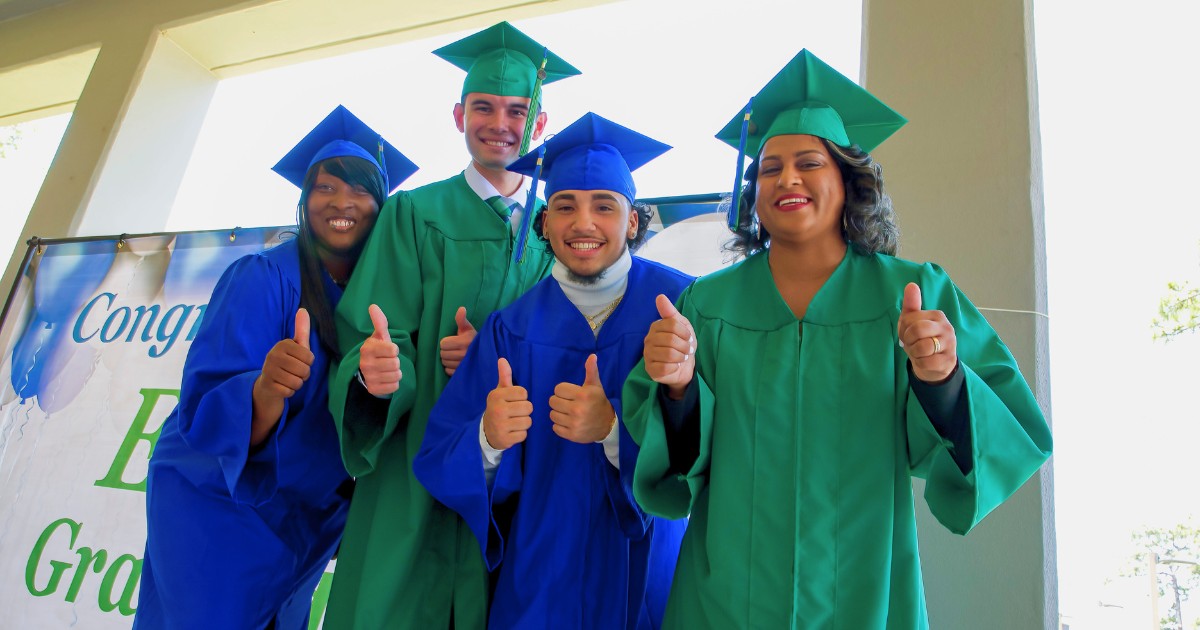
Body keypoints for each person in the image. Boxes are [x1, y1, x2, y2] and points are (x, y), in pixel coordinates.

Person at [622, 49, 1054, 629]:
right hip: (726, 593)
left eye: (809, 163)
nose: (787, 179)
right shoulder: (708, 305)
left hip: (865, 588)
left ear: (849, 181)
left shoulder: (915, 293)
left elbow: (1011, 428)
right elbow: (671, 466)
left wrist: (945, 381)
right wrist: (676, 390)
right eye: (770, 168)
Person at [323, 22, 580, 629]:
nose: (500, 123)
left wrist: (498, 360)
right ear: (459, 114)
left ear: (539, 126)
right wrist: (379, 373)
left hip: (517, 462)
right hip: (415, 459)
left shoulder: (557, 230)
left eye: (518, 111)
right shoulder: (414, 213)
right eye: (484, 107)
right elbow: (376, 331)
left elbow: (578, 344)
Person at [134, 105, 416, 630]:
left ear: (381, 208)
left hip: (304, 516)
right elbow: (205, 404)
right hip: (218, 505)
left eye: (359, 192)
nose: (341, 204)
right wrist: (264, 391)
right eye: (325, 188)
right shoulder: (261, 278)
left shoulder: (378, 304)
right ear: (304, 201)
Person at [414, 113, 690, 630]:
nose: (583, 224)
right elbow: (440, 458)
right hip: (541, 579)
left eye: (604, 207)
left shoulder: (682, 306)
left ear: (632, 220)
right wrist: (488, 439)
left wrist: (613, 434)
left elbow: (721, 444)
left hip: (650, 569)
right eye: (564, 206)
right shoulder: (510, 329)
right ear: (544, 221)